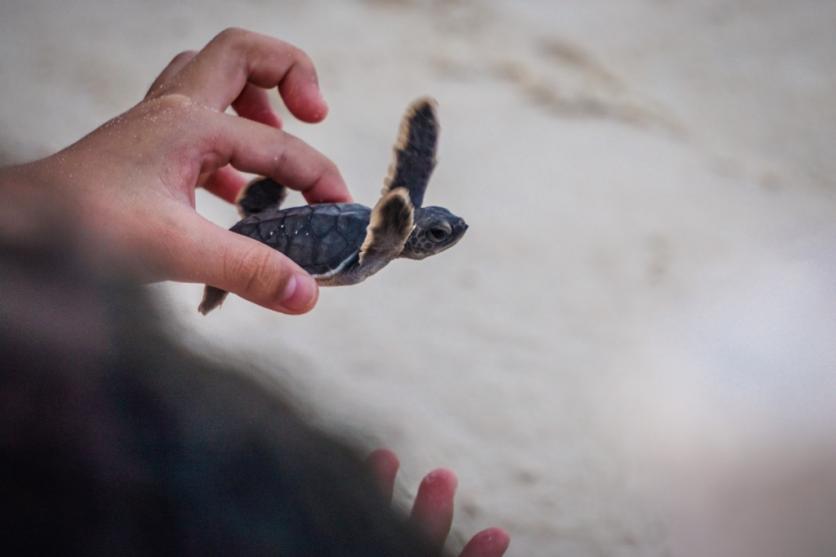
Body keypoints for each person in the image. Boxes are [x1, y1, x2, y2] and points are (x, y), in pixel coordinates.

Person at [0, 28, 510, 556]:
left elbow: (403, 196)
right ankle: (218, 283)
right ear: (405, 234)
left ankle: (239, 239)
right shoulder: (380, 242)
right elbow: (401, 204)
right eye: (438, 235)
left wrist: (37, 202)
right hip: (295, 246)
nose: (444, 238)